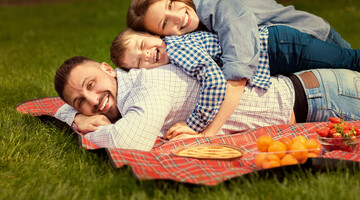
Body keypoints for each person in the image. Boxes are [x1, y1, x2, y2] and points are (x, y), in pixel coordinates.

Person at [125, 0, 359, 133]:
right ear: (162, 36)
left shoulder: (217, 8)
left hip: (300, 37)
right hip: (282, 56)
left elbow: (237, 77)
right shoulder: (183, 40)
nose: (178, 16)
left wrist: (206, 134)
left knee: (352, 64)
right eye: (165, 23)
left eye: (171, 5)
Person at [54, 56, 360, 151]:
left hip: (326, 97)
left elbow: (131, 141)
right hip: (313, 100)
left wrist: (87, 129)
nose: (94, 101)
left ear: (109, 69)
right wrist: (75, 117)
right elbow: (59, 109)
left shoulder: (148, 85)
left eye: (92, 85)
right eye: (81, 101)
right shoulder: (125, 94)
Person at [110, 27, 360, 137]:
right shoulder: (172, 56)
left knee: (348, 58)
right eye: (139, 63)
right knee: (345, 58)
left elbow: (216, 82)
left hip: (278, 48)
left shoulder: (177, 49)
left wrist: (196, 125)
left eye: (143, 45)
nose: (146, 55)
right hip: (306, 84)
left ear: (154, 35)